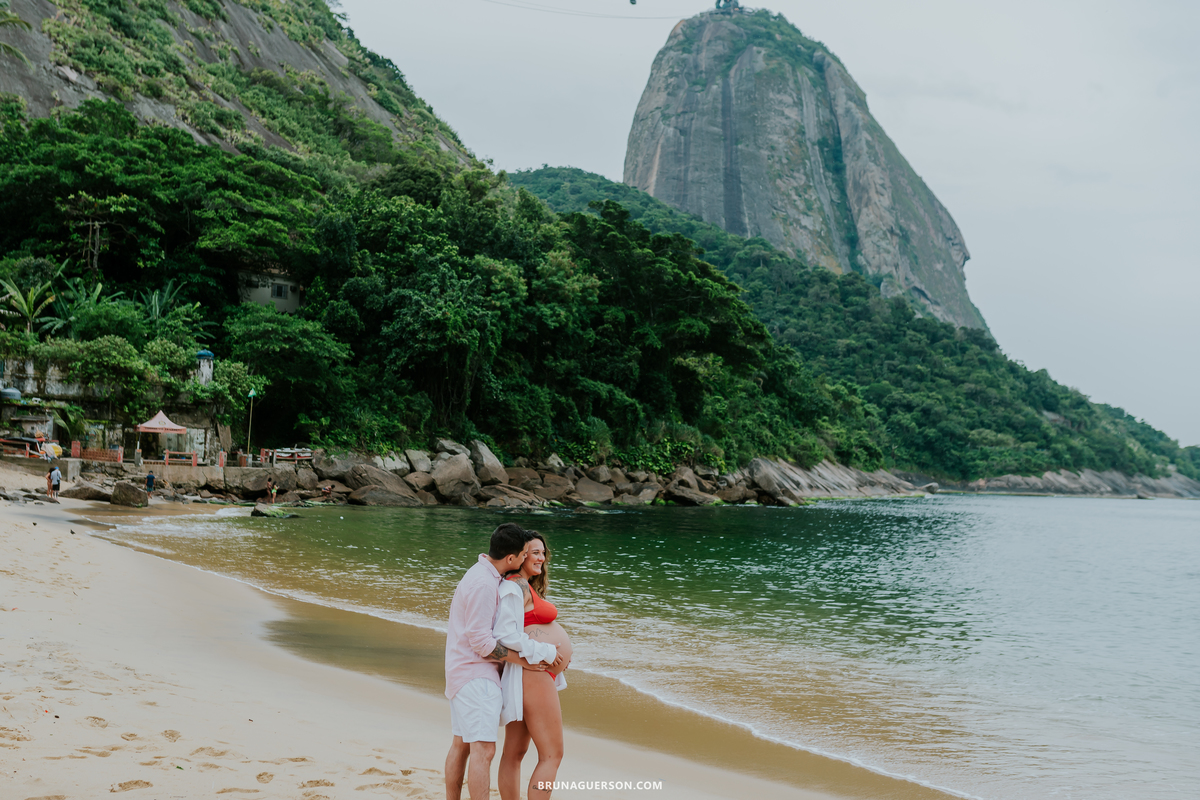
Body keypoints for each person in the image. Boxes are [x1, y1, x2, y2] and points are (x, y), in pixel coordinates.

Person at [444, 524, 566, 800]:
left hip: (471, 673)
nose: (531, 558)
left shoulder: (489, 578)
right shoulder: (489, 584)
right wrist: (535, 657)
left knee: (466, 746)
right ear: (512, 557)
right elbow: (486, 642)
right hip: (477, 675)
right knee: (487, 750)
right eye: (526, 553)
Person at [498, 533, 573, 800]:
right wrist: (548, 651)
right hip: (534, 674)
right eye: (534, 552)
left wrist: (557, 653)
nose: (541, 558)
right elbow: (505, 634)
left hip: (529, 674)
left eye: (543, 552)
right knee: (552, 755)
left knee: (514, 752)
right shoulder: (516, 586)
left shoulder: (521, 585)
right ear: (520, 556)